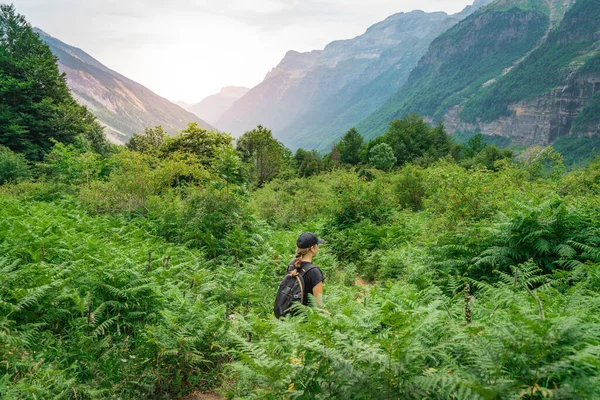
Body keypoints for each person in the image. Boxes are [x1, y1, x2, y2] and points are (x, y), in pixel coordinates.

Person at [287, 232, 325, 306]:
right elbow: (319, 305)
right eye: (317, 245)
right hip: (307, 316)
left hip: (289, 314)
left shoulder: (292, 265)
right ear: (312, 248)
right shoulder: (314, 272)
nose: (318, 247)